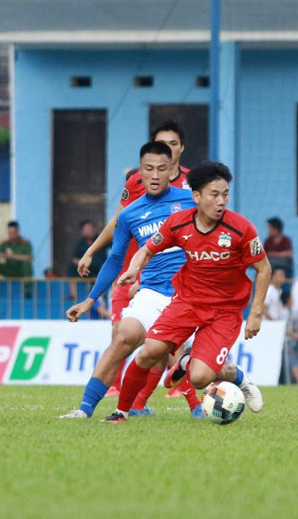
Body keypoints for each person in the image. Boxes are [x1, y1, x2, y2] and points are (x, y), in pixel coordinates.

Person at [103, 161, 270, 423]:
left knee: (201, 378)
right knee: (149, 351)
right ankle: (121, 412)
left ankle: (236, 377)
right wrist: (135, 270)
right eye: (214, 195)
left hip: (224, 312)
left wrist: (256, 314)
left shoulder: (241, 228)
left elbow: (264, 269)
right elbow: (147, 249)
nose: (221, 201)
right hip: (187, 302)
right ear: (196, 196)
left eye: (225, 194)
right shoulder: (178, 223)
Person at [60, 142, 200, 419]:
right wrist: (89, 300)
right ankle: (85, 409)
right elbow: (115, 260)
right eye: (149, 169)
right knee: (123, 338)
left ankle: (204, 402)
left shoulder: (191, 203)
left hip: (188, 293)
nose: (155, 175)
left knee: (192, 363)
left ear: (173, 170)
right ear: (140, 172)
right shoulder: (129, 214)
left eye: (162, 168)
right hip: (152, 292)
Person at [68, 219, 107, 300]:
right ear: (83, 231)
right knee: (71, 268)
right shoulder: (81, 244)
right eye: (87, 229)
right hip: (87, 268)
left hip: (99, 267)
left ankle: (102, 294)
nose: (90, 230)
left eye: (91, 228)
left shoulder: (100, 239)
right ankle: (73, 294)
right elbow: (74, 258)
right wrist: (82, 264)